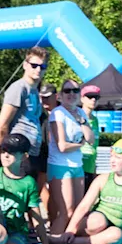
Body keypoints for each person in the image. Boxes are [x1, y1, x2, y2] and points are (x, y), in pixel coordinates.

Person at [52, 138, 122, 244]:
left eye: (117, 157)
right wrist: (70, 231)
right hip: (95, 222)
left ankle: (72, 243)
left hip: (114, 230)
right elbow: (84, 206)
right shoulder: (103, 179)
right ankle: (67, 238)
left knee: (117, 236)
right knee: (98, 222)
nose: (112, 160)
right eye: (111, 156)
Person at [46, 78, 93, 234]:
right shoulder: (57, 113)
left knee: (78, 212)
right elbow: (62, 146)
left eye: (75, 90)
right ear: (60, 95)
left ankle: (67, 240)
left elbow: (91, 139)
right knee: (67, 212)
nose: (71, 94)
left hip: (77, 166)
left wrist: (81, 121)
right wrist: (80, 144)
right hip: (60, 166)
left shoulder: (80, 113)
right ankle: (51, 243)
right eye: (67, 91)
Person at [0, 47, 47, 177]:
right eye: (34, 65)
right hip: (18, 155)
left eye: (42, 66)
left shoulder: (33, 90)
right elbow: (1, 124)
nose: (38, 69)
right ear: (25, 65)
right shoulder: (19, 88)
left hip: (31, 154)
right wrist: (8, 152)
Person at [79, 85, 101, 190]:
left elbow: (94, 146)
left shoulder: (95, 120)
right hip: (79, 166)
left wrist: (94, 168)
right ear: (82, 98)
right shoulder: (77, 117)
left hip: (90, 167)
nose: (93, 99)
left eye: (96, 97)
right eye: (90, 96)